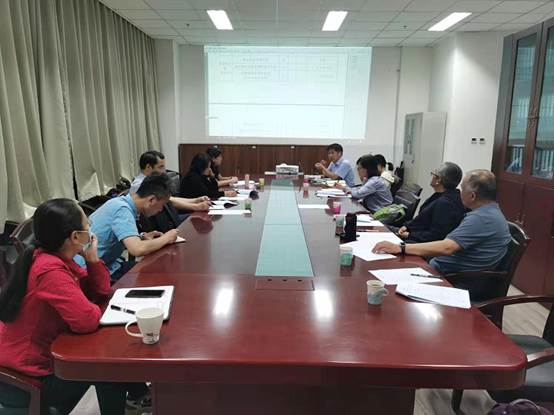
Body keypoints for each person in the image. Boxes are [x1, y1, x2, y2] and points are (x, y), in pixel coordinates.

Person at [0, 199, 147, 414]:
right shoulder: (49, 270)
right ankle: (139, 398)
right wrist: (92, 307)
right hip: (27, 377)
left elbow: (99, 291)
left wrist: (92, 260)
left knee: (113, 352)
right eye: (88, 225)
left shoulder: (55, 258)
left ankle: (139, 396)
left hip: (34, 360)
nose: (92, 230)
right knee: (107, 370)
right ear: (75, 237)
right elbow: (86, 321)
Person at [373, 170, 511, 275]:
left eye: (462, 189)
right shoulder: (490, 212)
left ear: (472, 196)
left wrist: (401, 248)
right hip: (441, 268)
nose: (460, 192)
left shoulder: (481, 219)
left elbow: (447, 247)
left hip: (451, 278)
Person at [81, 173, 179, 281]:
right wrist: (166, 238)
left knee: (155, 270)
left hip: (109, 264)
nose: (161, 209)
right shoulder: (122, 210)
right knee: (158, 275)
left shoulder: (120, 203)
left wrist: (141, 237)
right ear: (152, 200)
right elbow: (137, 249)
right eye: (162, 205)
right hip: (92, 274)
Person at [394, 162, 466, 243]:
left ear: (438, 180)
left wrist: (409, 235)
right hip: (416, 234)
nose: (431, 176)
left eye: (433, 174)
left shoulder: (445, 203)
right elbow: (423, 219)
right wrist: (407, 226)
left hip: (421, 242)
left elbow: (436, 235)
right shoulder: (443, 195)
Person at [130, 150, 211, 212]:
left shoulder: (152, 181)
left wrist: (196, 200)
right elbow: (170, 202)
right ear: (148, 167)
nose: (164, 171)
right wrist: (196, 206)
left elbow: (170, 199)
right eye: (160, 167)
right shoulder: (139, 184)